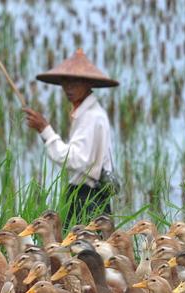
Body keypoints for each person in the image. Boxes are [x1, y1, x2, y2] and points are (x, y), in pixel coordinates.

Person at [23, 48, 118, 218]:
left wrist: (45, 130)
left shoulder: (92, 116)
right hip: (86, 195)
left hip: (88, 197)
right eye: (65, 82)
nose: (68, 87)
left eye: (75, 82)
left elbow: (75, 159)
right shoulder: (87, 113)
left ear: (88, 84)